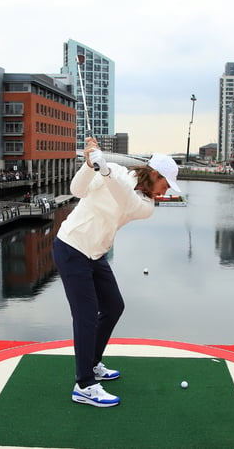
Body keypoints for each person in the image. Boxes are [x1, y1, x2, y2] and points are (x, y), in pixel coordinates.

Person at [52, 137, 181, 408]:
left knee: (113, 306)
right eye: (165, 183)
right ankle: (84, 384)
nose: (166, 190)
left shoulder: (145, 205)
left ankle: (93, 362)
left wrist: (104, 169)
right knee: (85, 315)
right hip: (71, 246)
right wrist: (89, 165)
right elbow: (77, 190)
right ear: (154, 174)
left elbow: (125, 199)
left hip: (95, 252)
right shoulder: (115, 171)